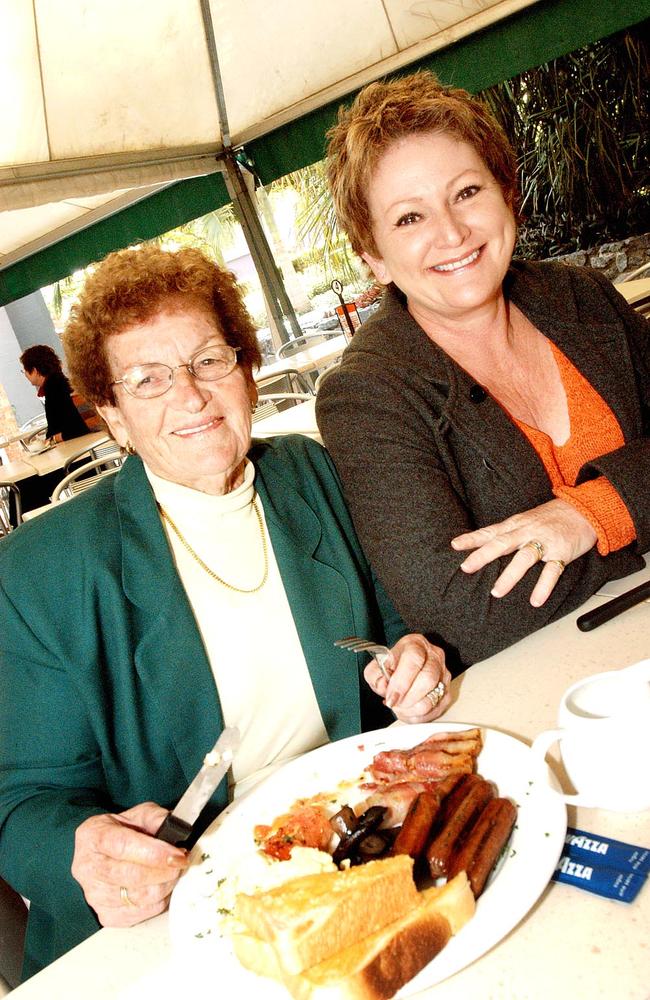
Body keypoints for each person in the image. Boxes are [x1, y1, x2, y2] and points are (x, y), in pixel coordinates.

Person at [0, 245, 451, 980]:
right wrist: (82, 852)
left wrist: (412, 661)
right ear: (111, 415)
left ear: (245, 370)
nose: (191, 395)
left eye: (210, 361)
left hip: (345, 847)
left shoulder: (310, 473)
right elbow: (19, 801)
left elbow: (395, 622)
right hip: (173, 929)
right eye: (147, 380)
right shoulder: (37, 574)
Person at [316, 71, 649, 670]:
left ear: (505, 193)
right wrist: (633, 510)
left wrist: (592, 513)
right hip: (555, 686)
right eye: (408, 218)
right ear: (373, 258)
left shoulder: (586, 298)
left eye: (466, 192)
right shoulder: (366, 396)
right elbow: (461, 615)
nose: (451, 232)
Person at [20, 344, 91, 442]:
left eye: (25, 370)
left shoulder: (55, 390)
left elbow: (78, 429)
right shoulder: (62, 383)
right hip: (86, 444)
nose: (25, 375)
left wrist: (54, 439)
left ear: (35, 370)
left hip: (81, 448)